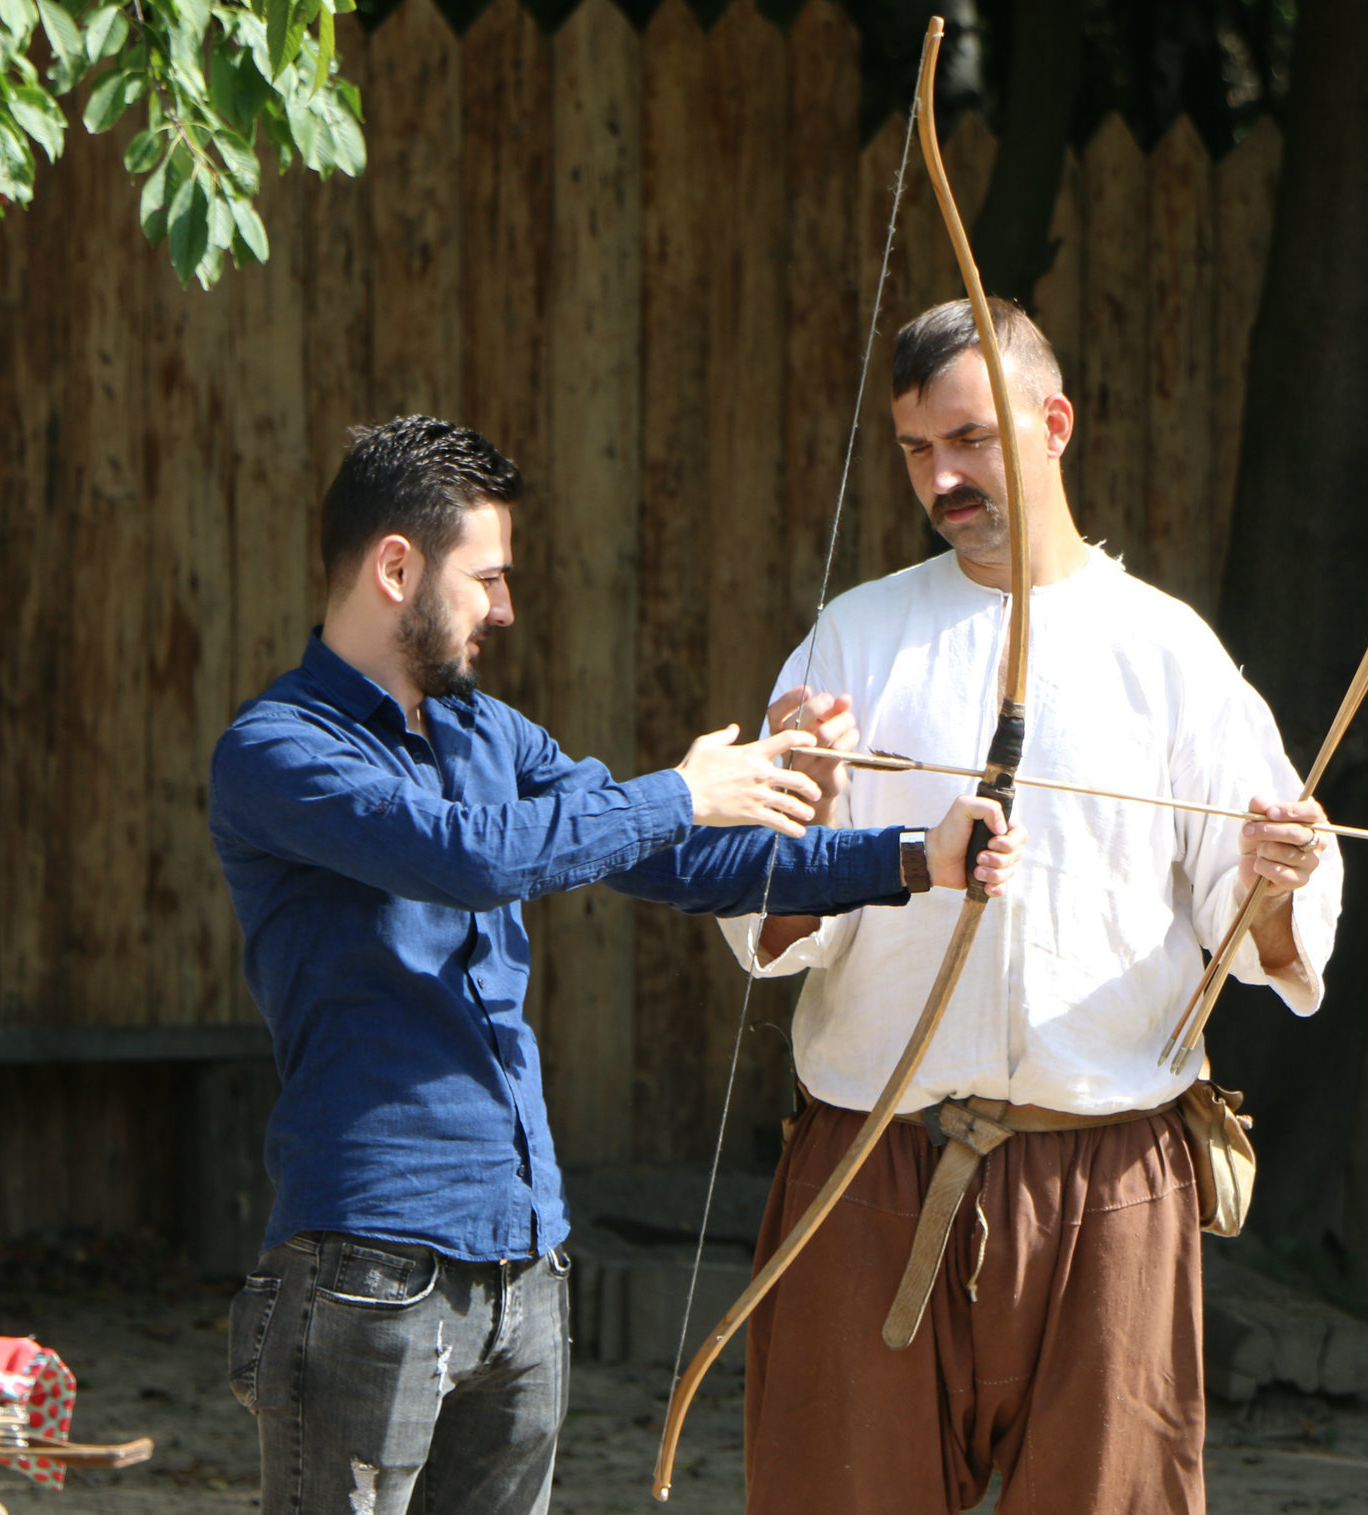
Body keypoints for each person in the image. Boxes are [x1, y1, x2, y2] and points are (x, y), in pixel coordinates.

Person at [207, 415, 1022, 1515]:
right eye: (486, 578)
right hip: (368, 1262)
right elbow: (468, 859)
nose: (505, 607)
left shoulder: (486, 733)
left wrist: (915, 857)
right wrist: (681, 789)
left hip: (525, 1255)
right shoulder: (277, 749)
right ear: (396, 567)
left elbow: (670, 854)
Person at [719, 300, 1342, 1514]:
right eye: (913, 450)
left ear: (1053, 424)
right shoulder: (853, 641)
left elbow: (1257, 938)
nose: (940, 477)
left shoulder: (1167, 652)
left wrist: (1278, 880)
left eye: (969, 439)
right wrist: (797, 796)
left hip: (1107, 1171)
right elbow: (776, 925)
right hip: (874, 1164)